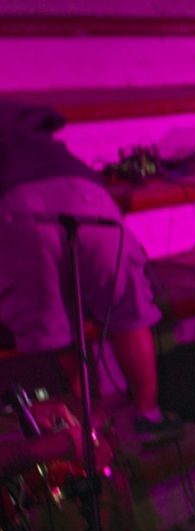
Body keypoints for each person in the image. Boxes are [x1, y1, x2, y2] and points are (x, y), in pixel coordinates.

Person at [0, 101, 184, 446]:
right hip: (85, 192)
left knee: (53, 324)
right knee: (127, 309)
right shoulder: (23, 118)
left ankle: (89, 429)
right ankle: (149, 415)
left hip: (15, 207)